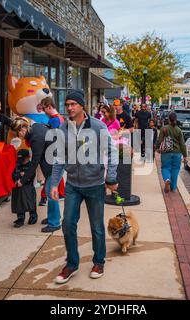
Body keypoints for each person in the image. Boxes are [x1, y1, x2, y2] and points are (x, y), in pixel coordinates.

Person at [50, 90, 118, 284]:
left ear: (82, 106)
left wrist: (111, 177)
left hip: (95, 185)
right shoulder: (63, 129)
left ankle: (99, 261)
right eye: (67, 104)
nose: (69, 108)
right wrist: (54, 183)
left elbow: (112, 152)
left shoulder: (98, 127)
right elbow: (59, 158)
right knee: (67, 224)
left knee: (97, 227)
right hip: (72, 185)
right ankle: (71, 264)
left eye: (73, 104)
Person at [14, 117, 61, 233]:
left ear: (25, 127)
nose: (19, 134)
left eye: (21, 130)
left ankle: (54, 223)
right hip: (56, 160)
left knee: (51, 193)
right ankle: (53, 217)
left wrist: (22, 180)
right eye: (17, 131)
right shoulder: (35, 128)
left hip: (56, 163)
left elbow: (34, 162)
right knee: (51, 192)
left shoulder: (36, 138)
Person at [38, 97, 66, 211]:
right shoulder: (56, 118)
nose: (44, 112)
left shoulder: (56, 120)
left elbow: (53, 139)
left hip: (55, 154)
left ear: (49, 106)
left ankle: (45, 197)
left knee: (51, 180)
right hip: (57, 154)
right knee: (53, 178)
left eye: (45, 109)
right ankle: (59, 194)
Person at [10, 121, 38, 228]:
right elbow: (14, 173)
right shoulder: (18, 164)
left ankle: (33, 215)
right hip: (18, 187)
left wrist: (24, 178)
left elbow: (31, 175)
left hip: (27, 187)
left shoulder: (30, 165)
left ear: (27, 158)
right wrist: (17, 178)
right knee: (18, 204)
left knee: (31, 203)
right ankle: (20, 218)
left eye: (23, 160)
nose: (21, 161)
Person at [156, 112, 187, 193]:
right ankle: (173, 188)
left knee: (165, 167)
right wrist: (185, 156)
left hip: (166, 152)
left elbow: (159, 140)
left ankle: (167, 179)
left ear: (169, 119)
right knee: (175, 170)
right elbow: (182, 144)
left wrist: (156, 148)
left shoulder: (164, 128)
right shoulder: (179, 130)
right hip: (177, 153)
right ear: (176, 120)